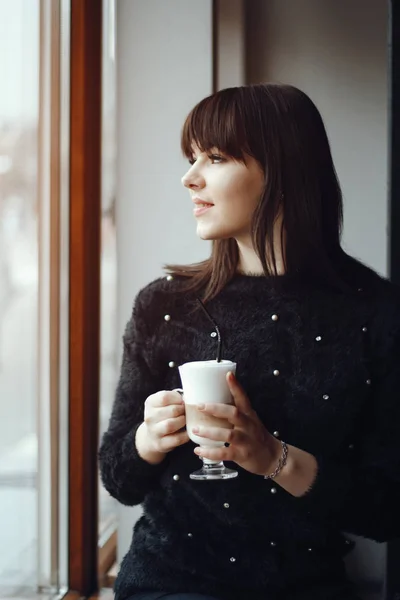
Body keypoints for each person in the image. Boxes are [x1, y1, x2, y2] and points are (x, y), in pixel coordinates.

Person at [99, 83, 400, 600]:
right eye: (192, 157)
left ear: (282, 172)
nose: (189, 177)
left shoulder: (374, 314)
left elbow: (387, 508)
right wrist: (149, 438)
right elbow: (119, 479)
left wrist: (273, 458)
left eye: (213, 157)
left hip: (306, 587)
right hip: (167, 583)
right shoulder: (162, 306)